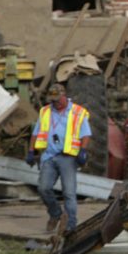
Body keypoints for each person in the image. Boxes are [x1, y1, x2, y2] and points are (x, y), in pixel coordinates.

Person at [26, 83, 92, 234]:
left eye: (57, 99)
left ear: (64, 95)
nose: (54, 102)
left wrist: (83, 151)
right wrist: (31, 151)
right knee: (43, 188)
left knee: (69, 193)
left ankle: (71, 225)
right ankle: (56, 214)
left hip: (68, 157)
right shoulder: (45, 111)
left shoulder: (77, 112)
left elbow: (86, 134)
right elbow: (36, 133)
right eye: (52, 99)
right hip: (49, 156)